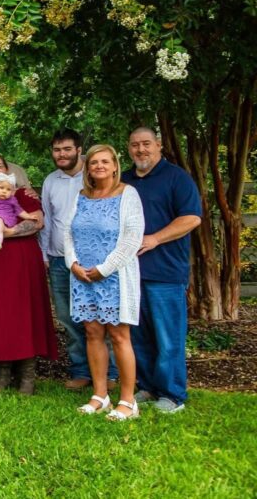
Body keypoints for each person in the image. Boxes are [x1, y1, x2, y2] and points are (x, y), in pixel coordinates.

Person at [122, 127, 202, 414]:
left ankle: (172, 394)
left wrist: (155, 238)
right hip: (131, 271)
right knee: (139, 335)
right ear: (129, 149)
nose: (140, 150)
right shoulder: (124, 180)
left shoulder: (177, 178)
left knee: (168, 337)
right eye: (135, 145)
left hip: (166, 271)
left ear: (159, 145)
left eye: (146, 144)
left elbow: (191, 218)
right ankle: (148, 386)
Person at [0, 155, 57, 395]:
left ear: (8, 169)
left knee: (24, 314)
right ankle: (2, 373)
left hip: (22, 263)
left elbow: (37, 221)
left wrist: (8, 231)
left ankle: (27, 375)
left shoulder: (22, 194)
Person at [66, 145, 145, 421]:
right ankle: (100, 396)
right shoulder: (81, 196)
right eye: (93, 162)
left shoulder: (127, 194)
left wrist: (104, 269)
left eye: (104, 162)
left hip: (114, 276)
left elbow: (132, 238)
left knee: (119, 335)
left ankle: (128, 401)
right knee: (92, 333)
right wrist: (72, 263)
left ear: (114, 166)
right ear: (88, 168)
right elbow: (68, 233)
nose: (99, 166)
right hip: (83, 276)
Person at [41, 128, 115, 390]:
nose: (61, 154)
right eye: (57, 150)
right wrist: (44, 254)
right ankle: (81, 370)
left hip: (94, 261)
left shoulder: (95, 175)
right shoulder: (51, 181)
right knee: (69, 318)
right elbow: (47, 219)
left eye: (67, 149)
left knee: (102, 315)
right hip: (59, 260)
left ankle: (110, 374)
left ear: (79, 150)